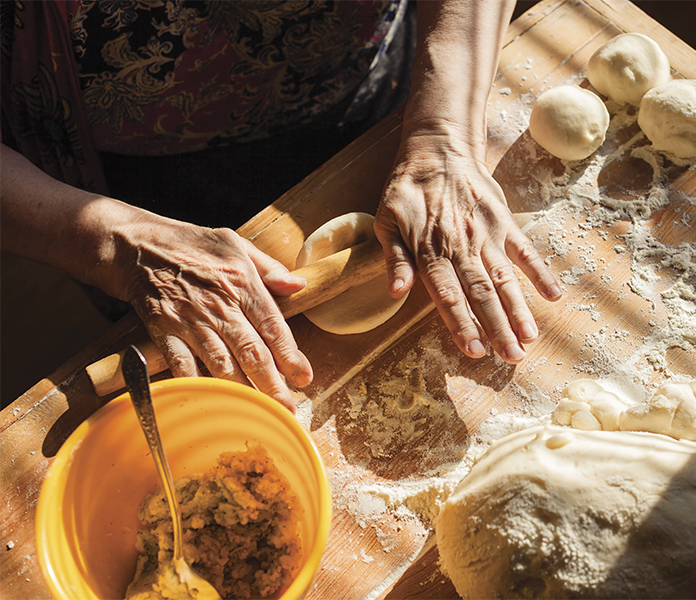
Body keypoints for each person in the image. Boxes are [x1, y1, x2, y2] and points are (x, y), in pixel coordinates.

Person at [1, 0, 562, 409]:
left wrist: (444, 132)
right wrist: (114, 242)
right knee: (183, 329)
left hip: (374, 96)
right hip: (136, 175)